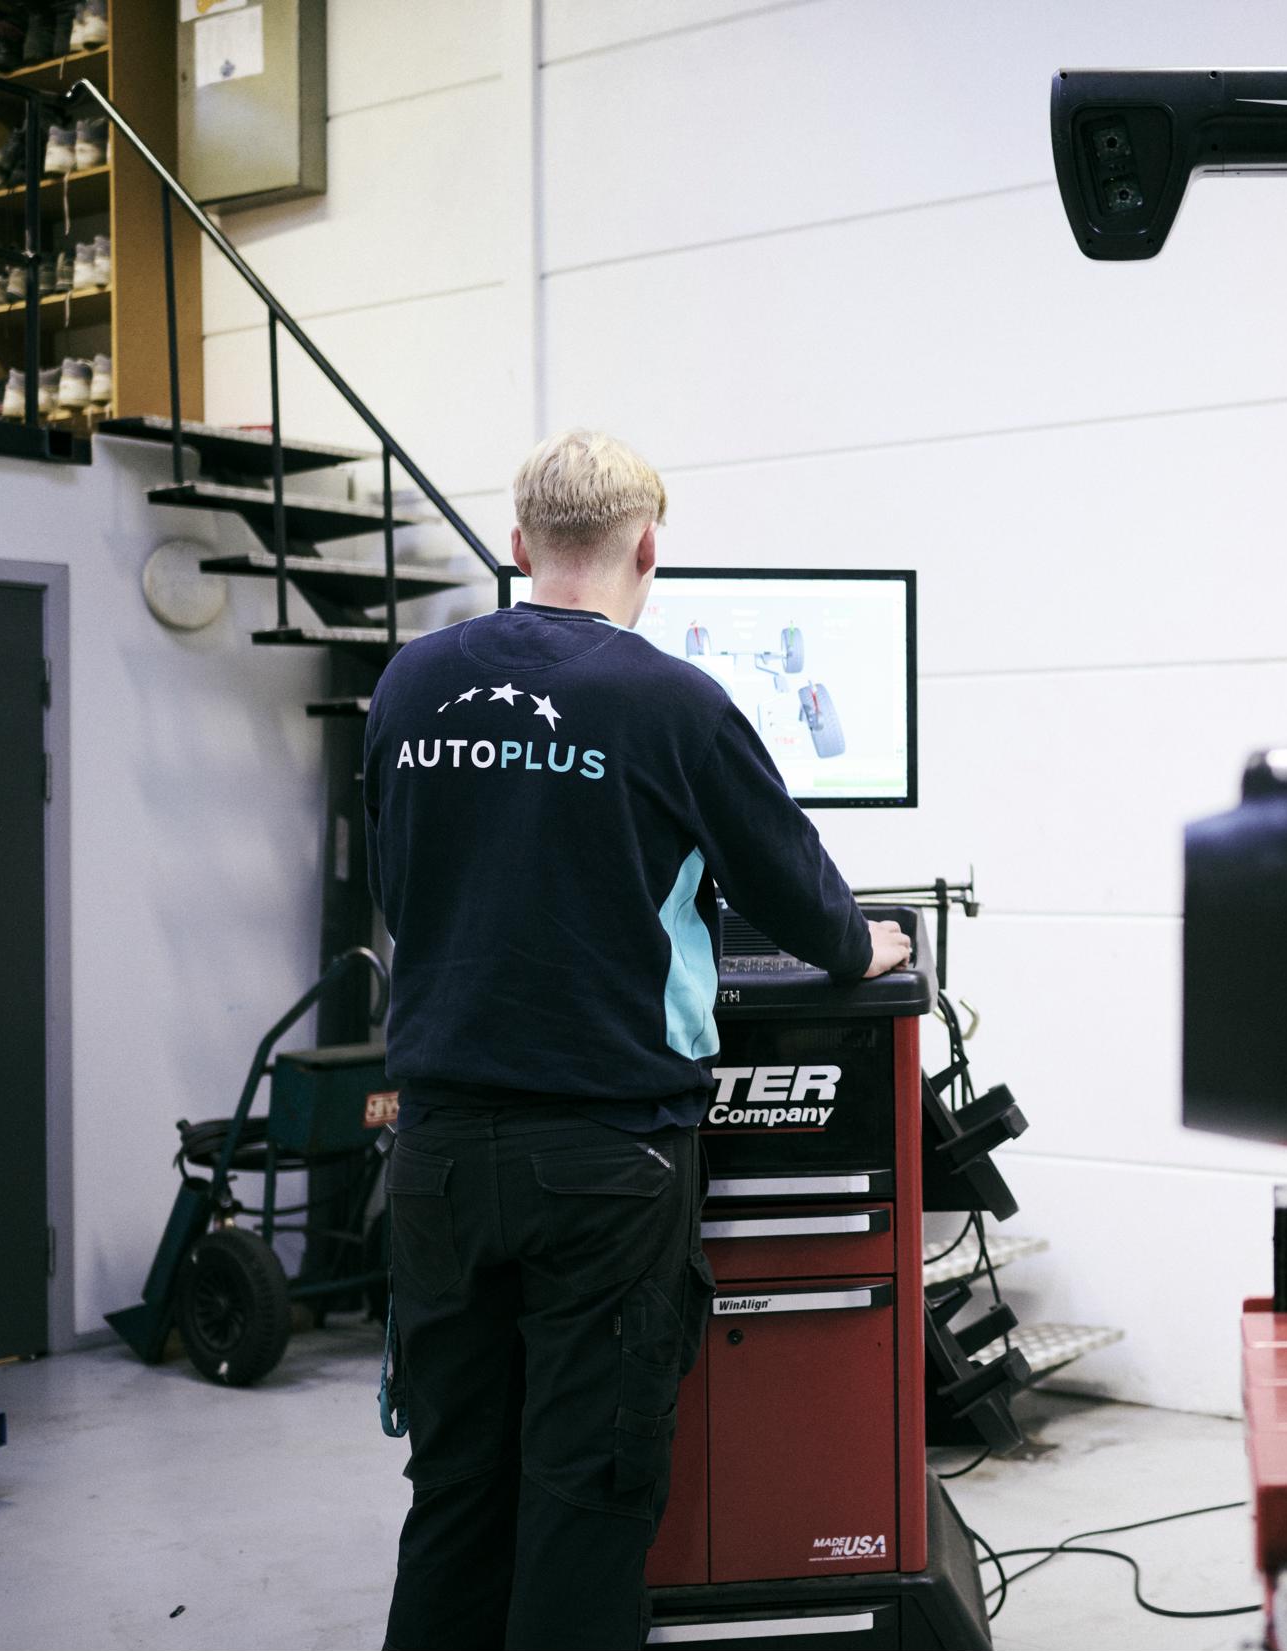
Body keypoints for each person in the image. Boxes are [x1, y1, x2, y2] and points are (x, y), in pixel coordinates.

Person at [362, 428, 911, 1650]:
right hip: (606, 1161)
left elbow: (400, 876)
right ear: (648, 547)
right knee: (585, 1493)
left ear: (517, 544)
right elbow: (792, 891)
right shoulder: (674, 699)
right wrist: (858, 943)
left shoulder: (407, 684)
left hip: (439, 1155)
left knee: (454, 1487)